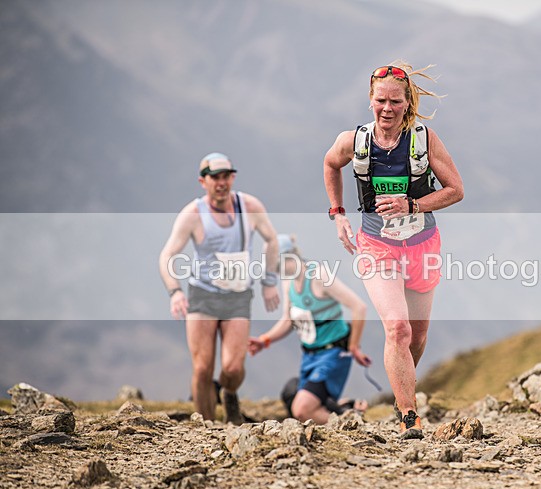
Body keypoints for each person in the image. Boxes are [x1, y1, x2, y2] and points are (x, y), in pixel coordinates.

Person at [322, 62, 464, 436]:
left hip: (422, 245)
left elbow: (456, 190)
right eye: (380, 100)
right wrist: (338, 214)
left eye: (395, 102)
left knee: (416, 338)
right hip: (376, 244)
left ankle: (404, 388)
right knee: (397, 329)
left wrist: (413, 205)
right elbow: (330, 163)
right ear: (370, 100)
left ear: (407, 103)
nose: (387, 108)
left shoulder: (424, 140)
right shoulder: (354, 142)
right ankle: (408, 416)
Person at [158, 152, 281, 425]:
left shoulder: (250, 207)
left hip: (238, 295)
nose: (221, 183)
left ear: (233, 177)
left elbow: (272, 240)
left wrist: (269, 283)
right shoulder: (193, 214)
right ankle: (207, 427)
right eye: (215, 178)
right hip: (202, 295)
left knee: (233, 368)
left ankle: (227, 392)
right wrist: (174, 291)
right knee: (202, 368)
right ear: (204, 181)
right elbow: (167, 255)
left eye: (226, 176)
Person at [248, 234, 371, 424]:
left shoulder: (318, 275)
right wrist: (265, 340)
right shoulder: (288, 280)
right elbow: (288, 319)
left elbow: (358, 307)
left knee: (301, 410)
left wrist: (354, 346)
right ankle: (345, 408)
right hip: (309, 356)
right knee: (292, 397)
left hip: (333, 353)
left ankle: (352, 426)